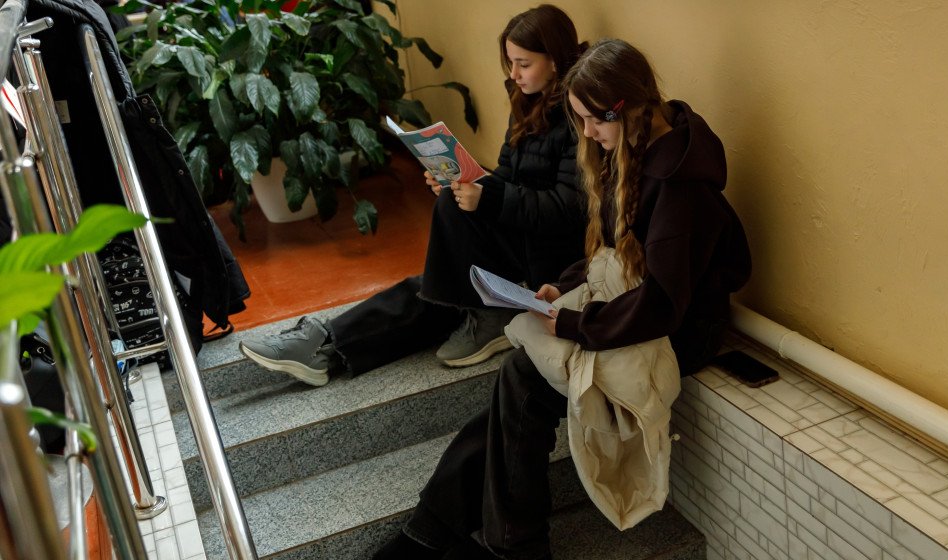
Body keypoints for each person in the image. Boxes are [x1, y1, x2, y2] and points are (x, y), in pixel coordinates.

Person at [370, 38, 750, 560]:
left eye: (594, 120)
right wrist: (563, 287)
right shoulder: (636, 144)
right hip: (630, 303)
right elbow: (614, 250)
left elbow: (664, 302)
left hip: (679, 330)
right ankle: (444, 532)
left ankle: (487, 541)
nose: (588, 134)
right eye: (581, 120)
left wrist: (574, 324)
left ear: (627, 107)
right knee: (520, 384)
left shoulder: (679, 186)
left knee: (523, 380)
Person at [238, 5, 587, 385]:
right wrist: (465, 180)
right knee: (440, 272)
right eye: (510, 63)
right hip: (520, 234)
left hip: (550, 256)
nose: (513, 74)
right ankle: (325, 346)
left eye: (523, 64)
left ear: (555, 61)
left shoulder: (579, 116)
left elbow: (568, 208)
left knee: (441, 283)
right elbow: (508, 175)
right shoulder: (528, 101)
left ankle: (327, 343)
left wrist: (488, 196)